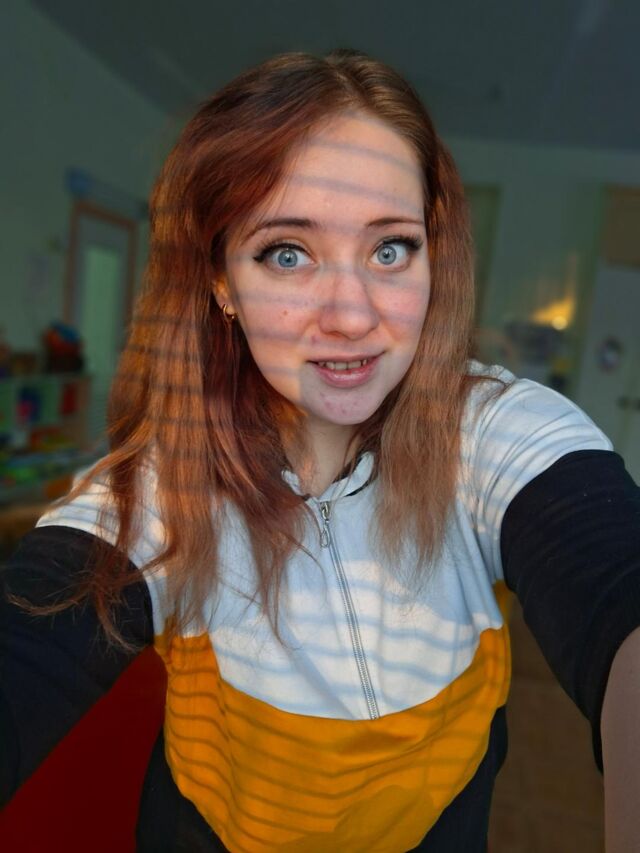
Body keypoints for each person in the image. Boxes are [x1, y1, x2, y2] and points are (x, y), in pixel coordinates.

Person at [1, 49, 639, 853]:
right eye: (287, 252)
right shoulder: (167, 485)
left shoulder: (495, 432)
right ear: (221, 281)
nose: (351, 315)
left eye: (390, 248)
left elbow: (616, 581)